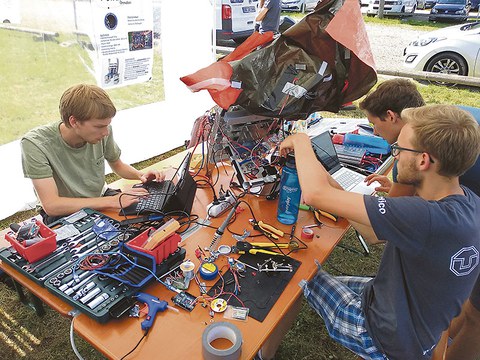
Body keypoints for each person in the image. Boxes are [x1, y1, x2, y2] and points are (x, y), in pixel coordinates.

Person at [278, 104, 480, 359]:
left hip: (378, 335)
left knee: (296, 272)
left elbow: (315, 194)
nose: (394, 155)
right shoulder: (468, 204)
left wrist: (301, 141)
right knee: (313, 275)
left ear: (423, 160)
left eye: (398, 149)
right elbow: (371, 232)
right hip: (411, 325)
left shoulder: (423, 217)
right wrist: (330, 184)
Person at [21, 84, 163, 224]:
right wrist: (112, 201)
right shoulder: (35, 144)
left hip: (101, 198)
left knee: (153, 215)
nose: (106, 132)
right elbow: (52, 205)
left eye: (107, 125)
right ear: (74, 121)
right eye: (99, 126)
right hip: (65, 212)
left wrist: (140, 175)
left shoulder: (103, 131)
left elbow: (117, 164)